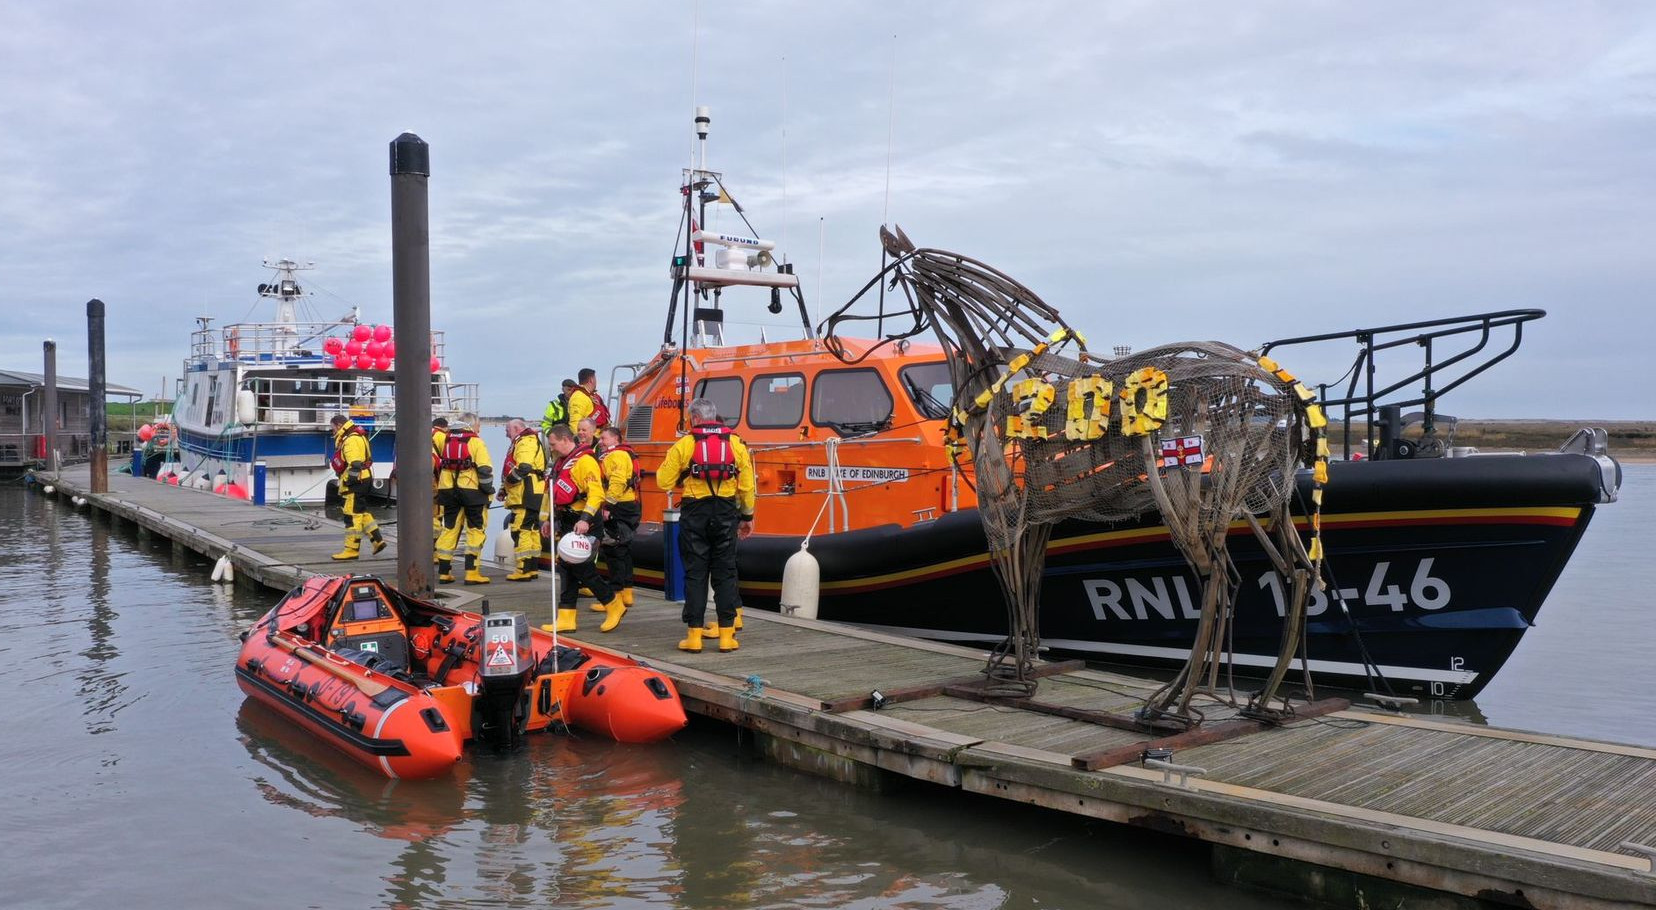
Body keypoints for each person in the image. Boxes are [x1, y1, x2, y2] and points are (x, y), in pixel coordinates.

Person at [656, 397, 755, 653]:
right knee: (725, 573)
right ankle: (726, 636)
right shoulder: (736, 444)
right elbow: (747, 487)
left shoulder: (684, 444)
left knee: (695, 573)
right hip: (725, 513)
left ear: (695, 419)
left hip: (695, 514)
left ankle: (694, 636)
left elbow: (662, 482)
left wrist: (682, 474)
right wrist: (747, 517)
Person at [543, 424, 626, 634]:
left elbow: (596, 494)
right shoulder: (561, 462)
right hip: (568, 520)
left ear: (564, 439)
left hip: (586, 522)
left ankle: (614, 604)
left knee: (583, 569)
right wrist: (548, 519)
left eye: (553, 444)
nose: (552, 448)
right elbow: (552, 493)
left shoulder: (585, 461)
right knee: (566, 567)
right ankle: (566, 617)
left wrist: (586, 519)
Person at [435, 413, 493, 585]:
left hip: (447, 490)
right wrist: (488, 490)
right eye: (478, 425)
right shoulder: (476, 442)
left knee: (449, 529)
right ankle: (472, 572)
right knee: (475, 530)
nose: (479, 429)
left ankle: (444, 572)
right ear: (471, 426)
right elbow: (484, 470)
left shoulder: (444, 439)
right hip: (472, 491)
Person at [594, 425, 641, 611]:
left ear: (615, 439)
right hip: (628, 505)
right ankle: (627, 592)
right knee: (625, 549)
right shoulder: (626, 454)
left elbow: (618, 481)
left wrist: (608, 506)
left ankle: (615, 595)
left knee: (614, 551)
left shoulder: (616, 456)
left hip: (619, 506)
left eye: (604, 439)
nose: (601, 442)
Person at [329, 414, 386, 560]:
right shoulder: (357, 435)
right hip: (364, 478)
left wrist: (349, 482)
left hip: (356, 481)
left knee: (352, 516)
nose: (332, 431)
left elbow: (355, 463)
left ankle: (351, 549)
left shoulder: (350, 439)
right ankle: (377, 541)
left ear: (339, 425)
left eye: (333, 428)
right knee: (361, 512)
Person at [500, 418, 546, 582]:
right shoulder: (528, 441)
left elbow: (524, 467)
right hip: (529, 492)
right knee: (531, 530)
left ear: (517, 428)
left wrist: (508, 482)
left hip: (525, 492)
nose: (506, 434)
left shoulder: (525, 442)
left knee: (520, 530)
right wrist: (504, 489)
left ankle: (523, 569)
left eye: (508, 430)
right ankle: (532, 568)